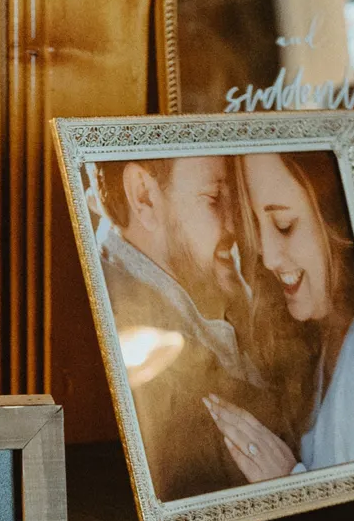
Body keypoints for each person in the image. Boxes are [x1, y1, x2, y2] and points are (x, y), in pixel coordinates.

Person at [93, 154, 301, 498]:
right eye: (214, 198)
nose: (235, 226)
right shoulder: (135, 352)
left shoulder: (225, 291)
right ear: (144, 197)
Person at [207, 151, 354, 476]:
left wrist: (285, 479)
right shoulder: (328, 336)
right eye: (256, 224)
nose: (267, 256)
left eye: (284, 226)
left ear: (336, 219)